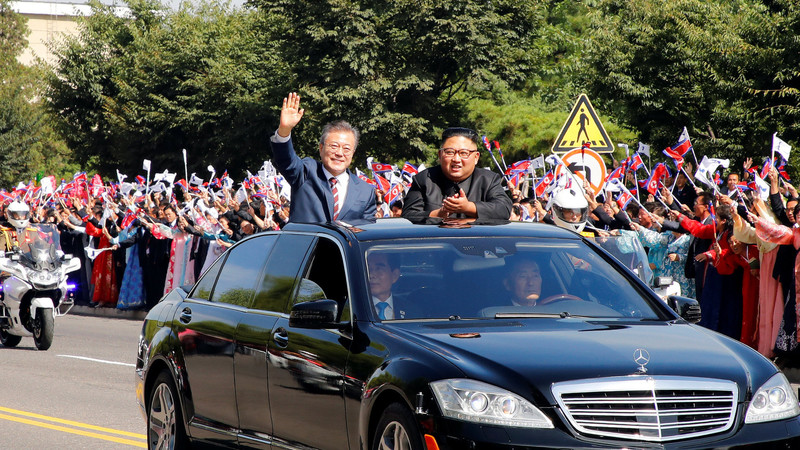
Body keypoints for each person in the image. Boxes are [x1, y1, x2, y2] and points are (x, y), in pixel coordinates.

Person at [270, 92, 376, 223]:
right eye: (334, 146)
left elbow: (367, 229)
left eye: (346, 148)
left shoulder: (365, 191)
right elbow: (286, 160)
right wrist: (284, 131)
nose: (339, 153)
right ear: (321, 148)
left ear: (353, 153)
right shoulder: (306, 173)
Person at [402, 127, 512, 220]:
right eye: (450, 152)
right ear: (440, 155)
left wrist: (468, 207)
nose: (456, 159)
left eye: (464, 153)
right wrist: (438, 214)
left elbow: (504, 210)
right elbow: (408, 216)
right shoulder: (424, 179)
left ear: (476, 157)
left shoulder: (488, 180)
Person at [367, 252, 404, 319]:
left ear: (394, 275)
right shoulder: (352, 307)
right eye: (367, 269)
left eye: (378, 269)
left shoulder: (411, 309)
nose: (371, 275)